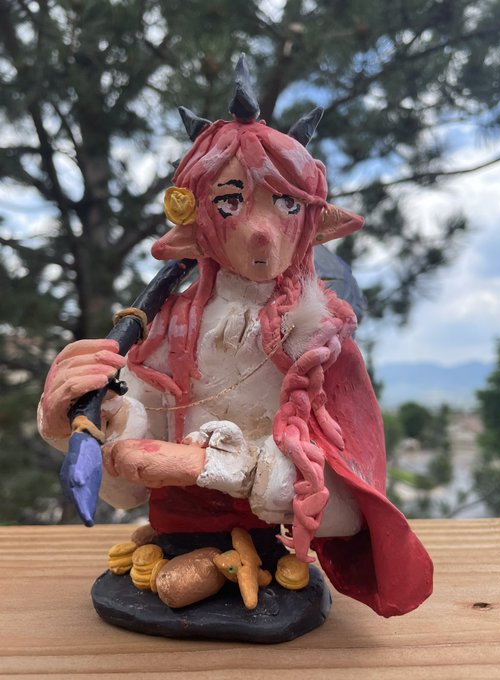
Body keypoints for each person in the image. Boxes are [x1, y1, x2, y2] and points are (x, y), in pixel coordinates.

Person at [38, 59, 432, 618]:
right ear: (198, 219)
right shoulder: (170, 324)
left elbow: (348, 507)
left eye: (286, 203)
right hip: (172, 535)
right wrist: (86, 421)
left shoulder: (319, 343)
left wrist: (215, 467)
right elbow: (126, 488)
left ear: (312, 220)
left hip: (268, 550)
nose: (261, 230)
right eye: (229, 201)